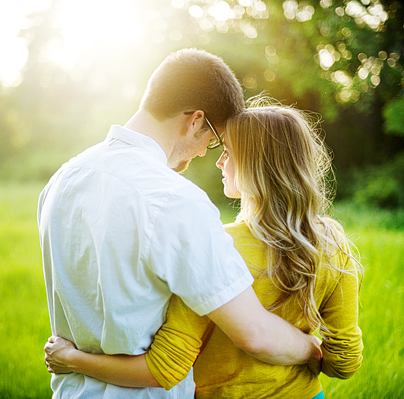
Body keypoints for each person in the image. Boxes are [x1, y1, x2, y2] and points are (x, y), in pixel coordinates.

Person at [38, 49, 322, 399]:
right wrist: (310, 347)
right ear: (195, 120)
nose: (205, 152)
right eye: (213, 139)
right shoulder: (175, 200)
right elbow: (254, 334)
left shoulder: (63, 179)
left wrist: (72, 359)